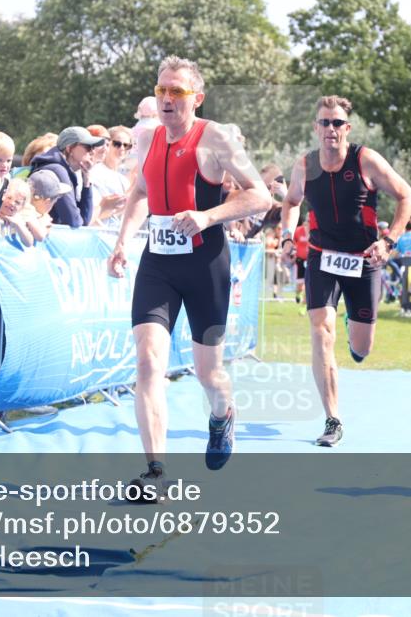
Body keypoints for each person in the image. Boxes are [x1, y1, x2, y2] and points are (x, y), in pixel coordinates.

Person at [106, 56, 272, 488]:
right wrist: (124, 238)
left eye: (176, 91)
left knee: (209, 374)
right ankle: (155, 471)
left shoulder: (214, 137)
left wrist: (207, 215)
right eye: (161, 89)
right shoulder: (145, 139)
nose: (166, 98)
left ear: (195, 98)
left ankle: (223, 413)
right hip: (158, 264)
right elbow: (140, 191)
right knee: (147, 362)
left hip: (205, 265)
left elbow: (260, 196)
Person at [280, 95, 411, 447]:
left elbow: (407, 196)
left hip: (364, 260)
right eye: (324, 123)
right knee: (320, 331)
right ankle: (332, 419)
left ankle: (353, 325)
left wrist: (389, 242)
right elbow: (292, 202)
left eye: (337, 123)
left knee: (361, 348)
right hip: (322, 257)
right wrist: (285, 235)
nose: (330, 129)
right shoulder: (304, 165)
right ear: (315, 128)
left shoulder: (365, 160)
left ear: (347, 128)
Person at [29, 126, 104, 228]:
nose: (92, 151)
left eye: (93, 147)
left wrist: (86, 181)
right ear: (69, 148)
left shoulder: (62, 169)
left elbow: (84, 221)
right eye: (87, 147)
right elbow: (74, 222)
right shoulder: (58, 170)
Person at [87, 125, 132, 228]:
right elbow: (92, 211)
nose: (122, 148)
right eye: (117, 144)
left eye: (126, 145)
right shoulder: (94, 171)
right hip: (97, 235)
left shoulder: (123, 180)